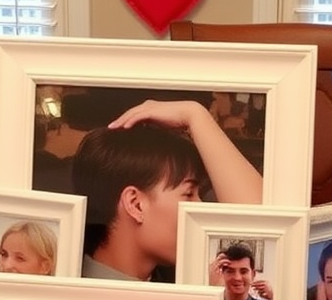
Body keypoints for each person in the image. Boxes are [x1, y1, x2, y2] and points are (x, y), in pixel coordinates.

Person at [71, 97, 263, 282]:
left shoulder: (188, 282)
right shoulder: (64, 296)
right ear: (135, 204)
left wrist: (194, 115)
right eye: (188, 194)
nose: (201, 207)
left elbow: (266, 227)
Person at [210, 241, 274, 300]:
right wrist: (211, 289)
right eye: (230, 271)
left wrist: (274, 298)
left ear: (253, 274)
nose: (237, 278)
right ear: (222, 273)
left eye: (243, 271)